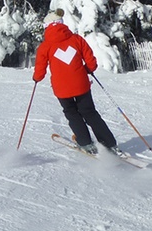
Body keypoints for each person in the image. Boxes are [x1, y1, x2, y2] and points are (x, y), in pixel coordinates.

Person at [32, 10, 122, 156]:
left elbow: (40, 70)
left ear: (47, 27)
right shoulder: (76, 39)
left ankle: (85, 143)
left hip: (61, 88)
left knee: (71, 113)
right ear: (62, 24)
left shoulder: (45, 46)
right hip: (81, 84)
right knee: (90, 112)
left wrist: (36, 78)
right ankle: (109, 143)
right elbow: (91, 61)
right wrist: (87, 69)